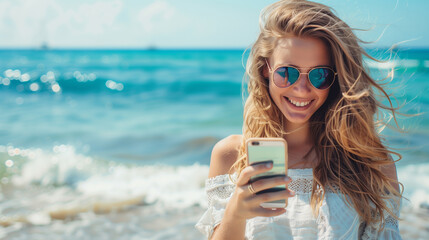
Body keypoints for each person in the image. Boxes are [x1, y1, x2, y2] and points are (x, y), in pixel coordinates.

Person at [195, 0, 403, 239]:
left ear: (335, 79)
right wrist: (236, 213)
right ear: (266, 69)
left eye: (320, 75)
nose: (302, 90)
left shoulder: (371, 164)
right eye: (287, 73)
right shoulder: (230, 156)